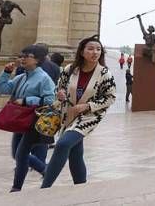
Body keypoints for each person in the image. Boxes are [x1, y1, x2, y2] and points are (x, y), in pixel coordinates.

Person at [41, 35, 116, 189]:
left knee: (62, 144)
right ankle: (81, 188)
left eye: (98, 49)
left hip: (89, 116)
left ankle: (45, 188)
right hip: (68, 113)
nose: (95, 52)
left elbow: (110, 97)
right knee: (75, 153)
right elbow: (59, 87)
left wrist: (88, 106)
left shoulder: (105, 74)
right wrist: (60, 92)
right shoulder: (70, 69)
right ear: (82, 52)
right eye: (90, 49)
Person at [0, 44, 56, 192]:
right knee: (17, 154)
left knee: (21, 154)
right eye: (21, 56)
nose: (22, 59)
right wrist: (6, 73)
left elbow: (50, 99)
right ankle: (45, 170)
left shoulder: (43, 78)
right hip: (21, 121)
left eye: (26, 56)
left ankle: (16, 187)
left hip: (33, 121)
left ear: (37, 60)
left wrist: (27, 100)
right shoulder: (21, 77)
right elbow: (1, 89)